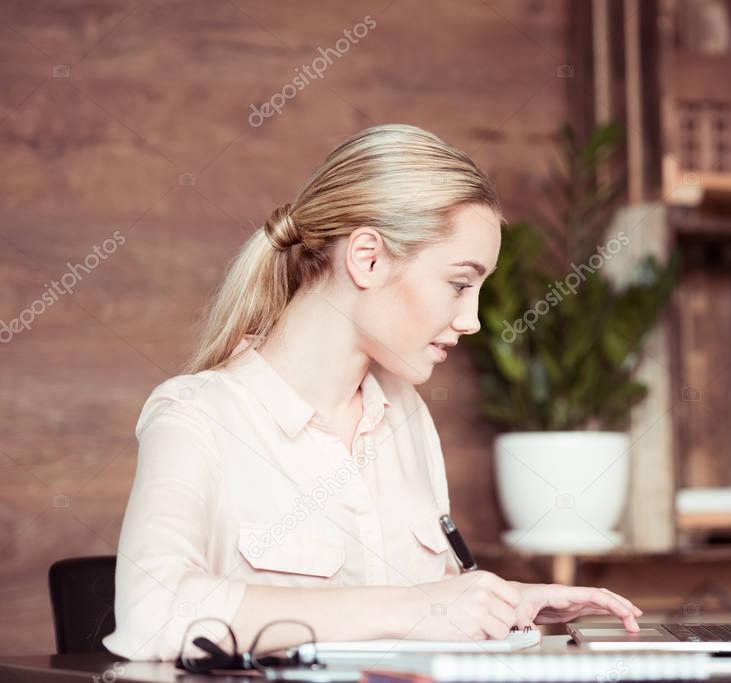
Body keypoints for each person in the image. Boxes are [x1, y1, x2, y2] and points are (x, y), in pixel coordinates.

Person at [103, 124, 642, 661]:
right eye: (459, 284)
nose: (473, 319)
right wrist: (419, 608)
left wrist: (503, 602)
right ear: (368, 258)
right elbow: (152, 613)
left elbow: (436, 612)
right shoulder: (198, 416)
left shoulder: (407, 419)